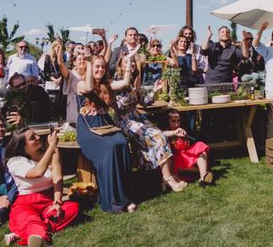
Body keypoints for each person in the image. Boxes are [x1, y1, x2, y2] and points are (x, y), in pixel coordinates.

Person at [109, 54, 185, 192]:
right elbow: (118, 105)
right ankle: (168, 179)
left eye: (132, 62)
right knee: (157, 136)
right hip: (125, 120)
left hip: (136, 117)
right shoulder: (115, 81)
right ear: (120, 65)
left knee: (159, 135)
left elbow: (143, 102)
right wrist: (133, 92)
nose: (131, 64)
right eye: (127, 62)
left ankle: (166, 177)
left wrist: (154, 90)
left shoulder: (133, 81)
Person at [76, 57, 135, 212]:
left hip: (105, 124)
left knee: (121, 143)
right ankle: (113, 201)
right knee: (110, 147)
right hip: (88, 128)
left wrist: (129, 61)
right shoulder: (81, 83)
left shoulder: (106, 84)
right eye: (97, 67)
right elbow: (89, 88)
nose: (100, 70)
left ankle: (124, 195)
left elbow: (125, 83)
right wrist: (89, 64)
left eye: (102, 67)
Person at [4, 128, 79, 247]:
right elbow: (37, 172)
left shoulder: (52, 151)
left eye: (36, 135)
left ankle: (21, 232)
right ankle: (41, 240)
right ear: (23, 145)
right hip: (26, 203)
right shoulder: (15, 162)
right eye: (33, 138)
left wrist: (57, 202)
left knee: (72, 208)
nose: (38, 138)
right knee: (31, 219)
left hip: (48, 200)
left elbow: (57, 178)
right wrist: (51, 147)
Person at [162, 108, 212, 185]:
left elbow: (188, 146)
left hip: (185, 157)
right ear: (167, 121)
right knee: (176, 159)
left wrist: (185, 137)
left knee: (200, 145)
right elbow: (160, 134)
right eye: (173, 121)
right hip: (175, 161)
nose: (177, 124)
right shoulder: (164, 131)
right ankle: (203, 173)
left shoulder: (181, 129)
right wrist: (174, 133)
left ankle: (203, 177)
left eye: (178, 121)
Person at [55, 41, 87, 125]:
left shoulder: (89, 74)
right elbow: (60, 63)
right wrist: (60, 48)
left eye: (84, 59)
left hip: (87, 103)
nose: (82, 61)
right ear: (74, 62)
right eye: (79, 59)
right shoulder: (70, 74)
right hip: (73, 104)